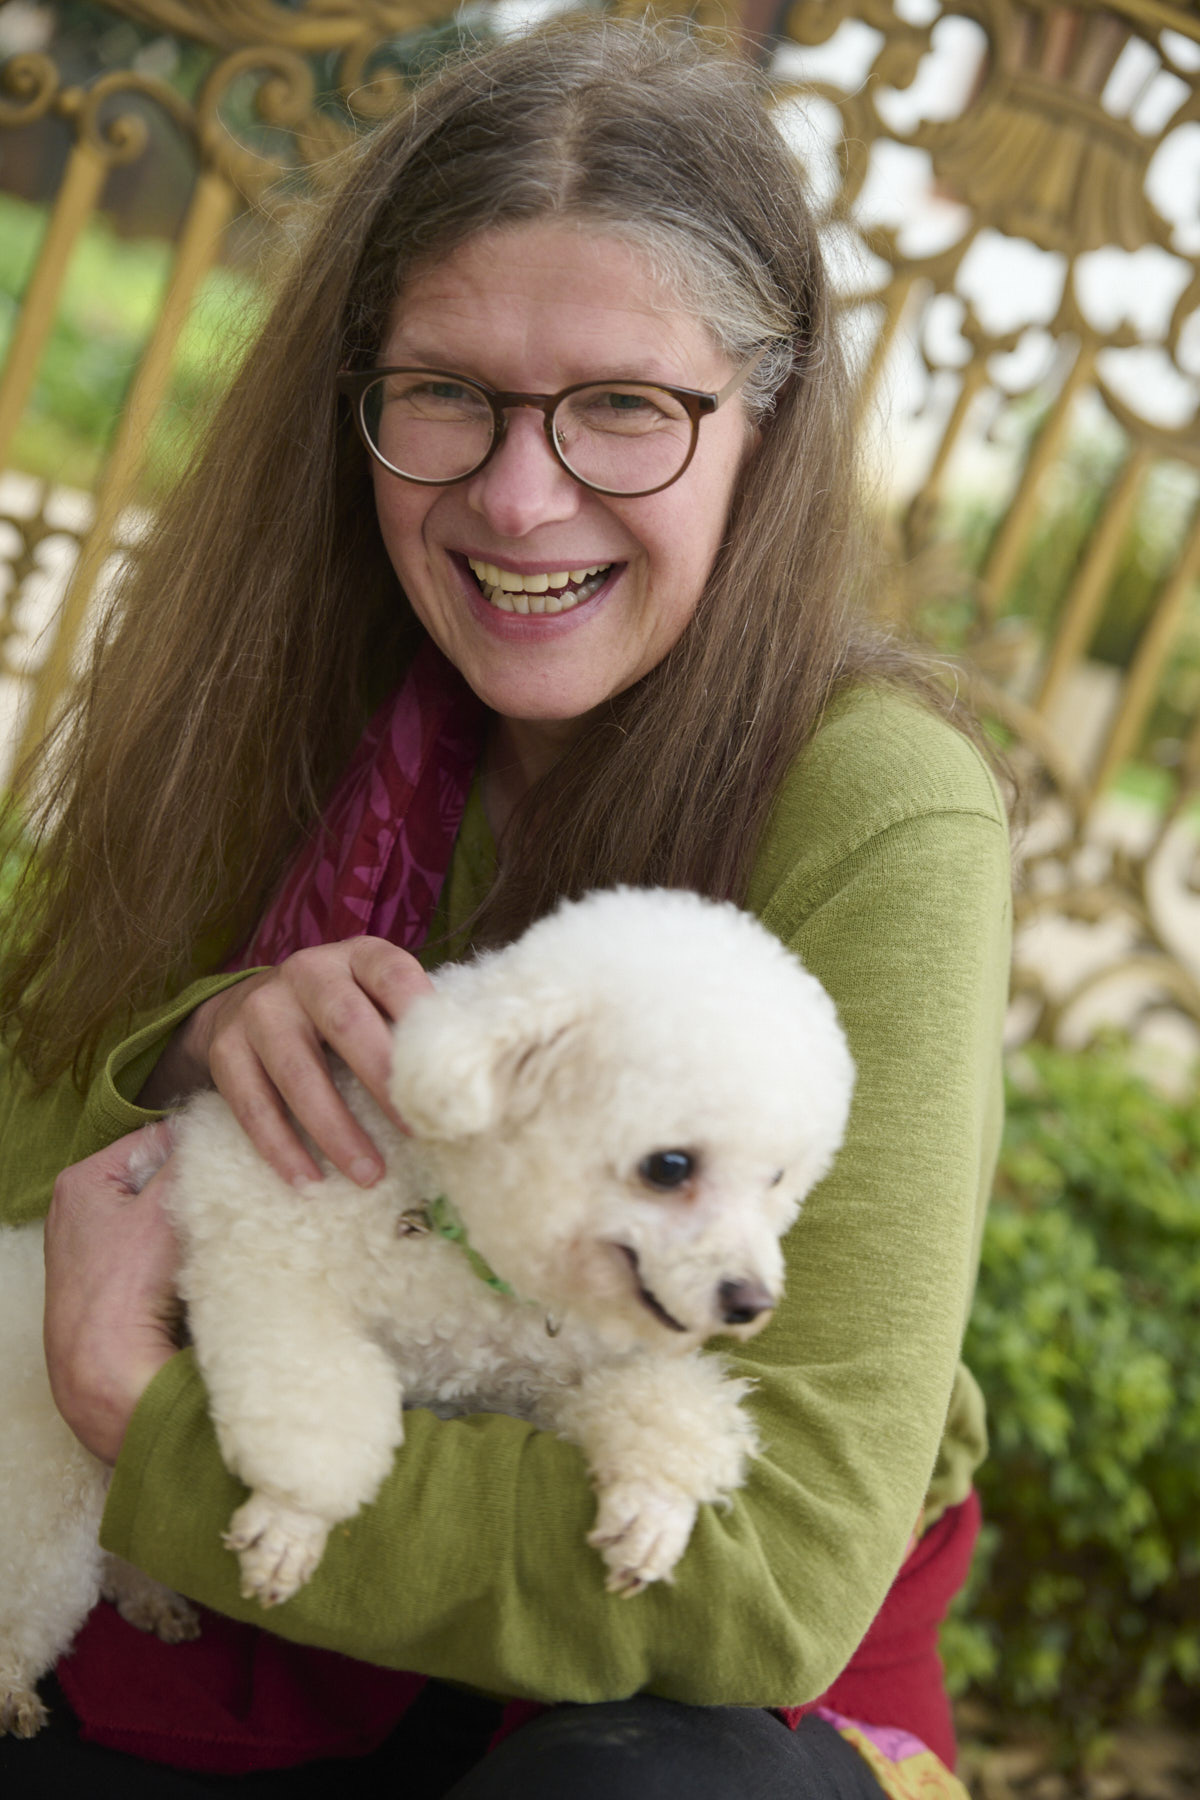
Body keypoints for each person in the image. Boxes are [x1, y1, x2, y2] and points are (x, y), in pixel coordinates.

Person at [0, 18, 1010, 1798]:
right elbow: (21, 1174)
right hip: (233, 1610)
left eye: (625, 406)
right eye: (446, 393)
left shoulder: (885, 809)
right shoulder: (279, 680)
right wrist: (197, 1052)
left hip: (655, 1693)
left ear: (764, 425)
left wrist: (155, 1428)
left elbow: (765, 1576)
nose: (519, 497)